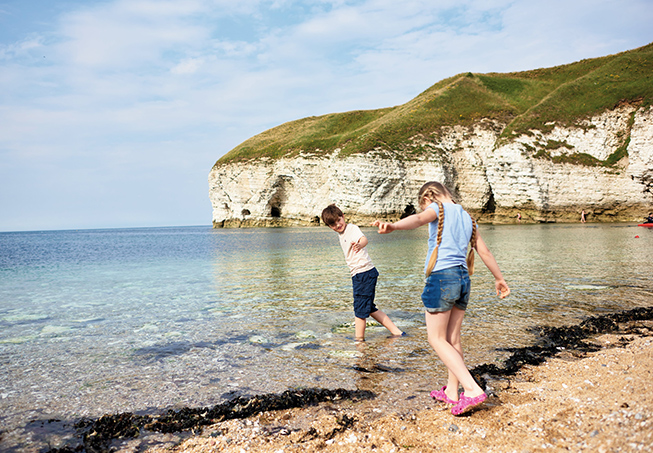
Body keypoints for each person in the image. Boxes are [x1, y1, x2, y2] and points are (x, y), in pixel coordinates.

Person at [372, 182, 510, 416]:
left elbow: (417, 220)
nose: (426, 209)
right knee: (452, 339)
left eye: (424, 204)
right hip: (463, 278)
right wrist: (499, 278)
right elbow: (483, 251)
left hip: (442, 277)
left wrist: (393, 226)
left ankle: (472, 390)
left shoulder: (437, 208)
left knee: (436, 339)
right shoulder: (468, 218)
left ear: (429, 196)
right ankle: (452, 393)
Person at [321, 204, 404, 342]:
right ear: (329, 227)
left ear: (343, 217)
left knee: (360, 309)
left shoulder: (352, 228)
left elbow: (364, 239)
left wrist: (360, 245)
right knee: (369, 308)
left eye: (339, 220)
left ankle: (359, 340)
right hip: (360, 274)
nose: (338, 225)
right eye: (333, 224)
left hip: (364, 272)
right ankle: (397, 332)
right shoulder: (341, 235)